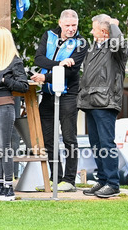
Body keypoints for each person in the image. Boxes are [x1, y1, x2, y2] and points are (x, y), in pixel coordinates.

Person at [31, 10, 87, 192]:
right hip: (47, 95)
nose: (71, 29)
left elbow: (71, 72)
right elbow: (38, 58)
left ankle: (69, 180)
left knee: (69, 138)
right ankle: (56, 178)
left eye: (74, 26)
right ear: (60, 23)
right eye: (68, 25)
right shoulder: (49, 35)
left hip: (68, 94)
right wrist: (60, 64)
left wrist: (44, 77)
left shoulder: (81, 43)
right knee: (48, 139)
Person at [78, 15, 128, 199]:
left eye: (94, 28)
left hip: (106, 102)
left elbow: (120, 44)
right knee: (96, 144)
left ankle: (113, 184)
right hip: (90, 102)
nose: (91, 32)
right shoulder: (93, 49)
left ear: (104, 31)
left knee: (106, 143)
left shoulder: (115, 49)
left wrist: (114, 25)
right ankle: (103, 179)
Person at [0, 28, 29, 201]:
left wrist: (3, 80)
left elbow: (23, 86)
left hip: (4, 106)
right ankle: (0, 185)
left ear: (2, 42)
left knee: (4, 146)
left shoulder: (14, 62)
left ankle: (8, 187)